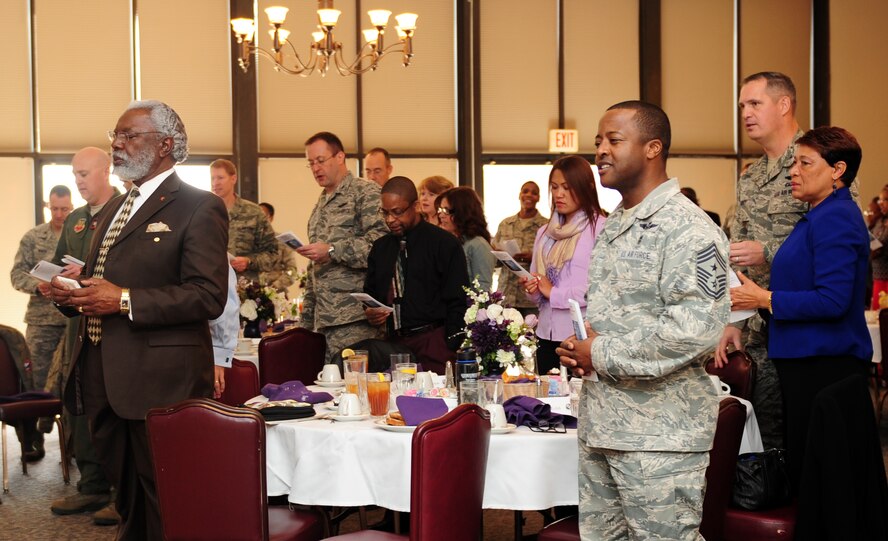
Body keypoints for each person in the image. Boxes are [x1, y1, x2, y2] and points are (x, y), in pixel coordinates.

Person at [49, 100, 229, 541]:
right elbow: (105, 285)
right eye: (116, 135)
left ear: (165, 145)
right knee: (128, 503)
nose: (117, 144)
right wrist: (72, 295)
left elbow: (207, 295)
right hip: (104, 380)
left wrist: (124, 300)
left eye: (129, 136)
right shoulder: (115, 208)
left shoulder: (197, 206)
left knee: (166, 502)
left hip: (159, 382)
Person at [557, 101, 729, 540]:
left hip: (660, 435)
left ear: (653, 148)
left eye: (614, 140)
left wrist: (602, 352)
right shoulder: (617, 224)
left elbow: (695, 329)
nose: (600, 151)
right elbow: (624, 316)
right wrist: (586, 349)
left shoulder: (687, 228)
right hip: (605, 424)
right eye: (598, 141)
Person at [726, 126, 871, 491]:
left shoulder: (835, 216)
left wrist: (764, 299)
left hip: (825, 365)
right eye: (793, 162)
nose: (793, 170)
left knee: (828, 475)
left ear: (837, 170)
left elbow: (833, 300)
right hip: (806, 362)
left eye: (805, 163)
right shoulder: (817, 216)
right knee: (812, 470)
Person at [715, 71, 807, 450]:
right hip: (759, 332)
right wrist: (733, 321)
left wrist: (768, 250)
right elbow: (739, 261)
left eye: (755, 103)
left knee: (803, 434)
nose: (746, 113)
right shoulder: (751, 178)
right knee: (763, 440)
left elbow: (835, 240)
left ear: (784, 104)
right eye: (742, 106)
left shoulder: (816, 160)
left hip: (804, 324)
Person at [46, 147, 121, 525]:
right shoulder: (76, 219)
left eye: (84, 174)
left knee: (113, 408)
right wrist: (55, 284)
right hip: (79, 326)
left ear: (106, 171)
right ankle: (90, 485)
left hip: (114, 326)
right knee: (81, 404)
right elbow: (60, 265)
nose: (78, 181)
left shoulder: (127, 210)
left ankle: (119, 494)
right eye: (74, 174)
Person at [296, 132, 388, 365]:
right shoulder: (321, 203)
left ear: (339, 157)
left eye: (320, 160)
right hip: (324, 323)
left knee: (357, 393)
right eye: (311, 163)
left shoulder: (365, 193)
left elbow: (380, 245)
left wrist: (333, 250)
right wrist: (305, 324)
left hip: (355, 321)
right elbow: (314, 269)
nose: (316, 168)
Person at [363, 176, 470, 374]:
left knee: (438, 401)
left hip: (434, 342)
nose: (390, 220)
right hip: (394, 344)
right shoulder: (381, 248)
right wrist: (371, 312)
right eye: (385, 213)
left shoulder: (443, 243)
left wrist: (451, 342)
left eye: (397, 212)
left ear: (416, 206)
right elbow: (371, 293)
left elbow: (459, 298)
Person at [522, 157, 605, 375]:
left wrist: (554, 292)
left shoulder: (601, 229)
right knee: (545, 405)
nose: (559, 194)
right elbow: (540, 285)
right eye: (555, 187)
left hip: (578, 338)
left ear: (586, 188)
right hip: (544, 332)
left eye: (567, 188)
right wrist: (533, 289)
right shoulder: (545, 231)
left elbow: (600, 289)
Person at [9, 184, 73, 461]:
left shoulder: (78, 235)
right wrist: (37, 286)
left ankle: (72, 443)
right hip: (41, 321)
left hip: (72, 318)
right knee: (35, 382)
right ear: (48, 206)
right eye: (55, 208)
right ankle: (33, 439)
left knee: (70, 382)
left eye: (65, 209)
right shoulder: (33, 237)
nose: (60, 214)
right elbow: (16, 275)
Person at [210, 159, 279, 284]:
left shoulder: (254, 212)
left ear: (233, 179)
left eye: (220, 178)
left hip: (245, 289)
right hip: (212, 285)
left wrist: (249, 261)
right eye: (212, 178)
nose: (215, 183)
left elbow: (273, 254)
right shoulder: (203, 212)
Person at [493, 181, 548, 313]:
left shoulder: (546, 226)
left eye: (534, 193)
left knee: (531, 334)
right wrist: (499, 254)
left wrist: (533, 257)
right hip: (506, 294)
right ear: (519, 195)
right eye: (525, 191)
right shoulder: (505, 223)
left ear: (538, 198)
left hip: (531, 297)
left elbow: (552, 259)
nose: (529, 195)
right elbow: (495, 259)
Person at [435, 186, 496, 292]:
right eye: (440, 209)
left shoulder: (478, 245)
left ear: (462, 212)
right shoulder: (451, 241)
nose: (441, 215)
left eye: (446, 210)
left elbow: (482, 290)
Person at [869, 189, 888, 309]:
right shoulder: (880, 221)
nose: (881, 203)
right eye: (880, 199)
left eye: (885, 199)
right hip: (877, 275)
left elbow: (880, 244)